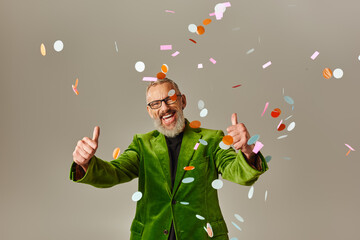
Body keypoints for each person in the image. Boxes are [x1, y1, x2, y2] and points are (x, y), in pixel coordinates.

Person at [70, 78, 269, 240]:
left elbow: (239, 173)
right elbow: (114, 173)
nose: (164, 108)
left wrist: (248, 152)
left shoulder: (212, 139)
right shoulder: (142, 144)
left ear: (182, 101)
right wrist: (85, 163)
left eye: (170, 99)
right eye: (155, 104)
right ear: (150, 111)